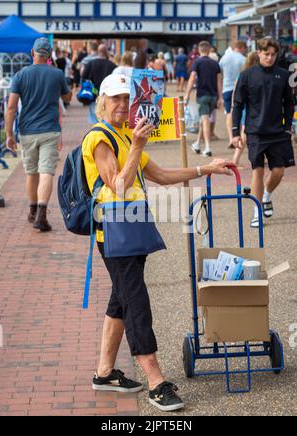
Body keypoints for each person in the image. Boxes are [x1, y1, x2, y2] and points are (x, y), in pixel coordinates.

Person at [82, 73, 234, 412]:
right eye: (116, 98)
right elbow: (119, 186)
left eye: (127, 98)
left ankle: (104, 373)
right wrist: (137, 147)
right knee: (136, 303)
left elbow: (162, 176)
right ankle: (155, 382)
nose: (123, 104)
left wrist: (204, 169)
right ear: (103, 102)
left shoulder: (123, 134)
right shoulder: (99, 138)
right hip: (114, 232)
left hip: (131, 229)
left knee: (121, 300)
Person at [5, 38, 72, 231]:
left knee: (31, 172)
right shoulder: (57, 74)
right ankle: (42, 213)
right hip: (50, 130)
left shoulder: (20, 75)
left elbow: (10, 107)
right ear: (49, 55)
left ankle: (33, 210)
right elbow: (67, 96)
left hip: (27, 131)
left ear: (32, 53)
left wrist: (9, 134)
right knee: (47, 171)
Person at [232, 38, 295, 228]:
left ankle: (267, 194)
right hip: (255, 133)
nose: (270, 57)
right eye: (266, 54)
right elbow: (238, 105)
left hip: (277, 132)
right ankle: (256, 212)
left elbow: (289, 103)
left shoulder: (283, 75)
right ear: (258, 53)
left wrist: (287, 127)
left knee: (279, 171)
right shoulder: (247, 75)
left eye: (273, 55)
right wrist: (235, 132)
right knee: (257, 171)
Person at [185, 41, 223, 157]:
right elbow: (219, 81)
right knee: (203, 119)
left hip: (202, 95)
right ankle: (197, 144)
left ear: (199, 50)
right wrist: (220, 97)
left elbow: (192, 79)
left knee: (205, 120)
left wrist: (187, 94)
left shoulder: (197, 62)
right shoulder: (215, 63)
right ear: (209, 49)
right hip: (213, 96)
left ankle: (207, 147)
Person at [232, 52, 259, 166]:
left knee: (244, 132)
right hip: (249, 108)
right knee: (244, 133)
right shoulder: (252, 75)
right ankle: (235, 160)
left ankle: (236, 160)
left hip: (243, 107)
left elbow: (235, 91)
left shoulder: (242, 75)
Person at [219, 41, 247, 147]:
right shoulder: (243, 59)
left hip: (226, 88)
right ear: (240, 47)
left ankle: (231, 138)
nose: (245, 51)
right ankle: (239, 136)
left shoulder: (224, 58)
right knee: (239, 111)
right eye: (245, 48)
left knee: (229, 113)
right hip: (240, 88)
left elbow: (220, 72)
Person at [82, 44, 116, 123]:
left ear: (98, 52)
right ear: (106, 52)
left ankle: (96, 133)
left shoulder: (91, 63)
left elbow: (84, 77)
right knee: (106, 118)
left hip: (94, 94)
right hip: (107, 95)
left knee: (94, 119)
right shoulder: (112, 65)